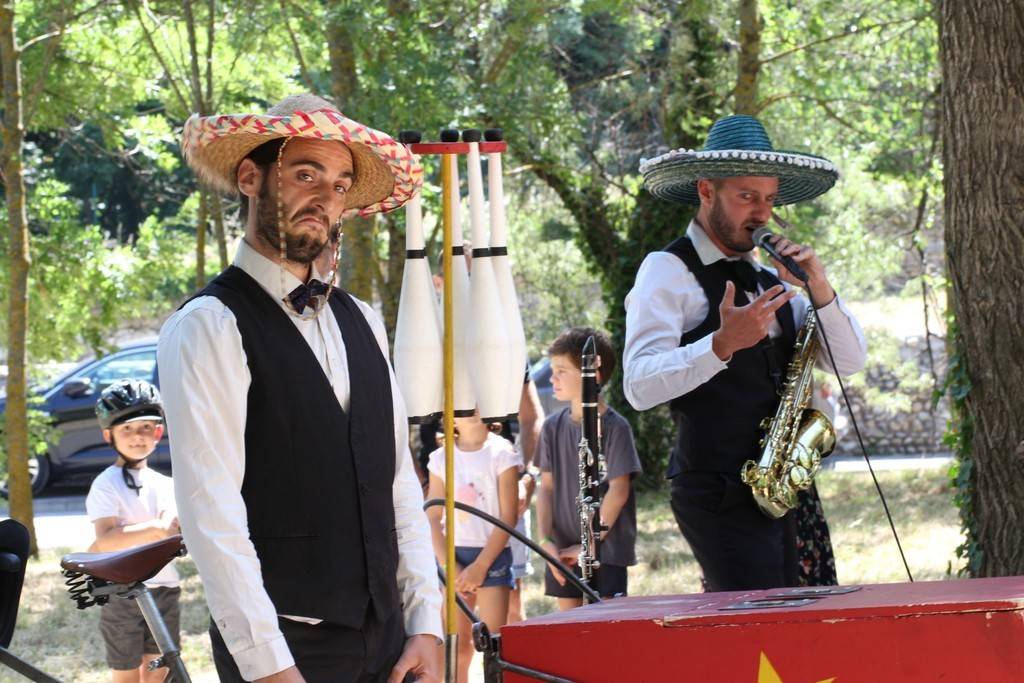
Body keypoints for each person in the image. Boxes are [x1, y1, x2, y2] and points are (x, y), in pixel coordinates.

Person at [158, 94, 442, 683]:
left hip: (392, 644)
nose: (324, 199)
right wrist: (269, 665)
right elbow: (211, 514)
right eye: (305, 174)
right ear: (250, 178)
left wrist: (425, 623)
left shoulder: (363, 320)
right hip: (286, 650)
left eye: (339, 185)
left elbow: (395, 484)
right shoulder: (210, 325)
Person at [624, 114, 867, 592]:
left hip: (784, 486)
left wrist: (819, 288)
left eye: (770, 199)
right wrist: (720, 345)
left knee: (803, 624)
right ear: (706, 191)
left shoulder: (772, 278)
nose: (761, 213)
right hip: (718, 493)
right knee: (756, 628)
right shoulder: (667, 270)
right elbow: (638, 386)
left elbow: (849, 362)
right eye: (747, 196)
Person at [535, 328, 642, 610]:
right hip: (562, 553)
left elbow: (618, 490)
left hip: (606, 553)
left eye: (561, 371)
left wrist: (588, 546)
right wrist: (546, 541)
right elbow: (545, 489)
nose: (552, 379)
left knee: (604, 630)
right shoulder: (551, 427)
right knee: (569, 631)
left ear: (592, 374)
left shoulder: (616, 427)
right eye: (552, 371)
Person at [86, 379, 180, 683]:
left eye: (145, 427)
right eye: (126, 428)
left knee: (161, 673)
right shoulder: (106, 484)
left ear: (158, 432)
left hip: (164, 589)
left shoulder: (166, 484)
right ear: (108, 435)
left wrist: (168, 529)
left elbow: (174, 532)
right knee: (126, 675)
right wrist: (157, 528)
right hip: (120, 591)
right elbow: (106, 540)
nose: (137, 436)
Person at [424, 414, 520, 683]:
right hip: (453, 556)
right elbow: (432, 515)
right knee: (456, 648)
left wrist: (481, 566)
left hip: (492, 556)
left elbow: (508, 516)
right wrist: (449, 565)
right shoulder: (440, 458)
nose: (469, 409)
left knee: (494, 647)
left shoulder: (502, 453)